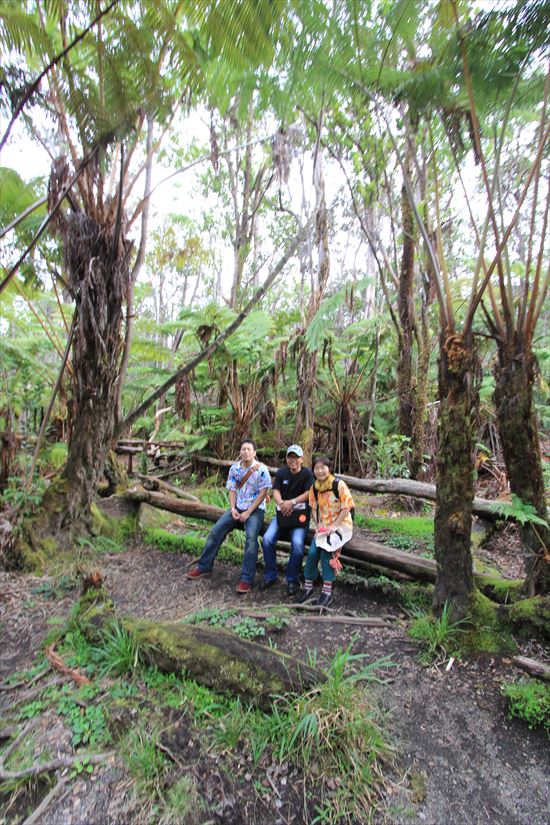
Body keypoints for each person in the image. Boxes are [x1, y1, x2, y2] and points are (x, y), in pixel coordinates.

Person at [186, 439, 272, 593]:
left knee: (251, 539)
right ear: (240, 451)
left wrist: (248, 512)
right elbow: (232, 489)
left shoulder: (262, 470)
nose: (245, 452)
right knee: (216, 531)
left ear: (254, 453)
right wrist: (233, 509)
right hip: (237, 507)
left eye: (248, 449)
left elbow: (263, 493)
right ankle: (204, 566)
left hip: (255, 510)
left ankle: (247, 579)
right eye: (243, 449)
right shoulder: (235, 468)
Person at [298, 455, 354, 608]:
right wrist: (317, 525)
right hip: (324, 527)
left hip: (341, 525)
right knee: (312, 553)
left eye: (323, 467)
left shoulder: (338, 484)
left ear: (329, 468)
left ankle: (327, 592)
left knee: (326, 552)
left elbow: (346, 507)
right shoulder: (314, 488)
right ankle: (308, 587)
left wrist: (334, 526)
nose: (320, 471)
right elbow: (313, 509)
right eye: (317, 468)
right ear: (313, 470)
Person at [259, 444, 315, 597]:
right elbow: (276, 491)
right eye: (290, 457)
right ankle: (270, 575)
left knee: (297, 545)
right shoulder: (282, 473)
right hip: (282, 515)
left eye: (296, 457)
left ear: (301, 459)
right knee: (267, 539)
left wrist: (292, 502)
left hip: (299, 517)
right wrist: (282, 503)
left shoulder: (307, 474)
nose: (293, 460)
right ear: (286, 459)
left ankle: (292, 579)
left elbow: (309, 492)